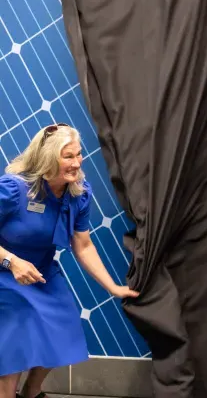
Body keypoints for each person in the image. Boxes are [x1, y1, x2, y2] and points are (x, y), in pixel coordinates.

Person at [0, 124, 139, 398]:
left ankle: (32, 391)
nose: (76, 163)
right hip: (5, 272)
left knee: (63, 329)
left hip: (41, 273)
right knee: (14, 342)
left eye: (79, 154)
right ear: (49, 157)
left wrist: (113, 287)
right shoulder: (15, 189)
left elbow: (83, 245)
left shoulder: (78, 192)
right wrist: (11, 262)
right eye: (68, 156)